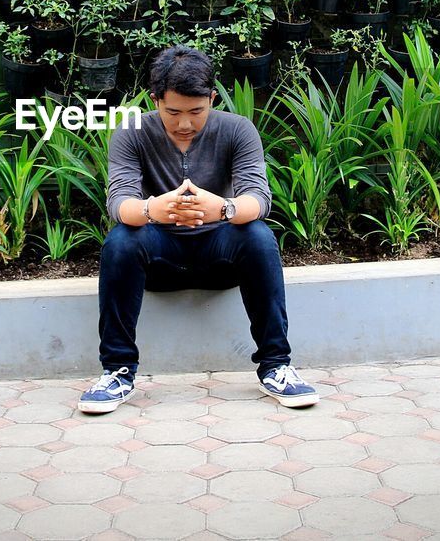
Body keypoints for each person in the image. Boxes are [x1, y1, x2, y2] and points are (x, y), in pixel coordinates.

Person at [78, 45, 318, 414]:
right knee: (122, 240)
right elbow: (119, 202)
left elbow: (259, 197)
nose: (185, 123)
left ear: (212, 98)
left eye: (196, 111)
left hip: (220, 257)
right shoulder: (132, 131)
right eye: (172, 112)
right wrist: (152, 209)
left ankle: (277, 366)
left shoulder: (237, 130)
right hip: (160, 258)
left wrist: (222, 208)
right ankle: (117, 371)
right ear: (156, 99)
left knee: (258, 236)